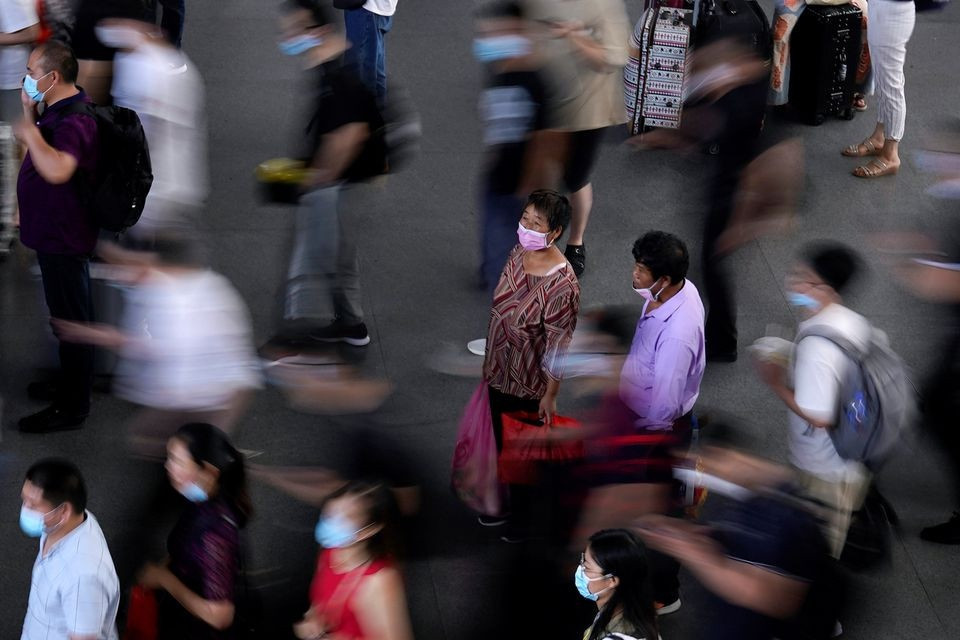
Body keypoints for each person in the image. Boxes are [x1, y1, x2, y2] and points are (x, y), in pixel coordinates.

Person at [266, 0, 387, 349]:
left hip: (345, 184)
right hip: (349, 182)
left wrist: (316, 179)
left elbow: (349, 136)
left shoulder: (339, 78)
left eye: (295, 30)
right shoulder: (328, 71)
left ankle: (296, 335)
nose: (288, 37)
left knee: (314, 254)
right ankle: (350, 323)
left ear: (317, 32)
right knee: (340, 257)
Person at [753, 242, 873, 558]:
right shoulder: (849, 320)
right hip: (854, 447)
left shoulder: (818, 349)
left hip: (824, 465)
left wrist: (774, 381)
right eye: (797, 273)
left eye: (805, 280)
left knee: (815, 546)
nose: (794, 283)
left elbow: (818, 417)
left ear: (828, 289)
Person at [480, 189, 580, 535]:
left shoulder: (562, 285)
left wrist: (550, 395)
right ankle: (503, 502)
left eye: (536, 223)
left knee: (521, 454)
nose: (526, 226)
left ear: (555, 233)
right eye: (525, 218)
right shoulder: (518, 252)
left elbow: (558, 347)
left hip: (527, 385)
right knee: (499, 443)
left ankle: (522, 519)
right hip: (498, 372)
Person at [14, 40, 98, 433]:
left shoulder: (75, 120)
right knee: (64, 317)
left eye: (32, 72)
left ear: (53, 77)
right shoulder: (56, 109)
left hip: (65, 238)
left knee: (71, 323)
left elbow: (60, 168)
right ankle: (69, 383)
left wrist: (28, 131)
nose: (26, 79)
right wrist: (31, 115)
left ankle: (73, 407)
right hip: (52, 232)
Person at [523, 0, 630, 277]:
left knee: (576, 177)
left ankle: (576, 241)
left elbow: (615, 57)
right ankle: (539, 233)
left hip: (586, 109)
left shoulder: (604, 4)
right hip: (545, 100)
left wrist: (574, 36)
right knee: (540, 170)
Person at [96, 18, 208, 243]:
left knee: (153, 247)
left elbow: (145, 131)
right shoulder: (161, 62)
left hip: (161, 189)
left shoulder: (150, 71)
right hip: (165, 184)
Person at [138, 423, 251, 638]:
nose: (168, 466)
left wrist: (164, 579)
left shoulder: (214, 535)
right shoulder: (201, 497)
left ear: (207, 471)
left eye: (178, 461)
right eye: (169, 456)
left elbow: (220, 615)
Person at [473, 0, 554, 293]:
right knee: (493, 238)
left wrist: (529, 186)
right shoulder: (500, 71)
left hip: (519, 186)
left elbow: (544, 141)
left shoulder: (534, 81)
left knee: (506, 253)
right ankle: (491, 275)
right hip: (497, 176)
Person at [294, 480, 413, 640]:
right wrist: (312, 618)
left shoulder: (380, 581)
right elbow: (319, 602)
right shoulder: (329, 551)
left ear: (369, 530)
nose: (331, 523)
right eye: (329, 514)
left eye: (345, 518)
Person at [19, 458, 121, 640]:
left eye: (32, 505)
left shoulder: (84, 576)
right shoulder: (63, 524)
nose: (25, 510)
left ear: (63, 511)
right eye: (24, 500)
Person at [841, 0, 916, 178]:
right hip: (881, 7)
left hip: (893, 10)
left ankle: (891, 155)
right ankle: (879, 138)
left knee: (891, 84)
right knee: (883, 78)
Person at [577, 529, 659, 640]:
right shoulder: (616, 611)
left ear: (612, 581)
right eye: (583, 561)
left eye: (587, 568)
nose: (580, 571)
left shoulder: (620, 636)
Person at [341, 0, 397, 102]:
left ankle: (366, 114)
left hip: (366, 9)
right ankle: (377, 114)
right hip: (373, 10)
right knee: (374, 71)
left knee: (360, 73)